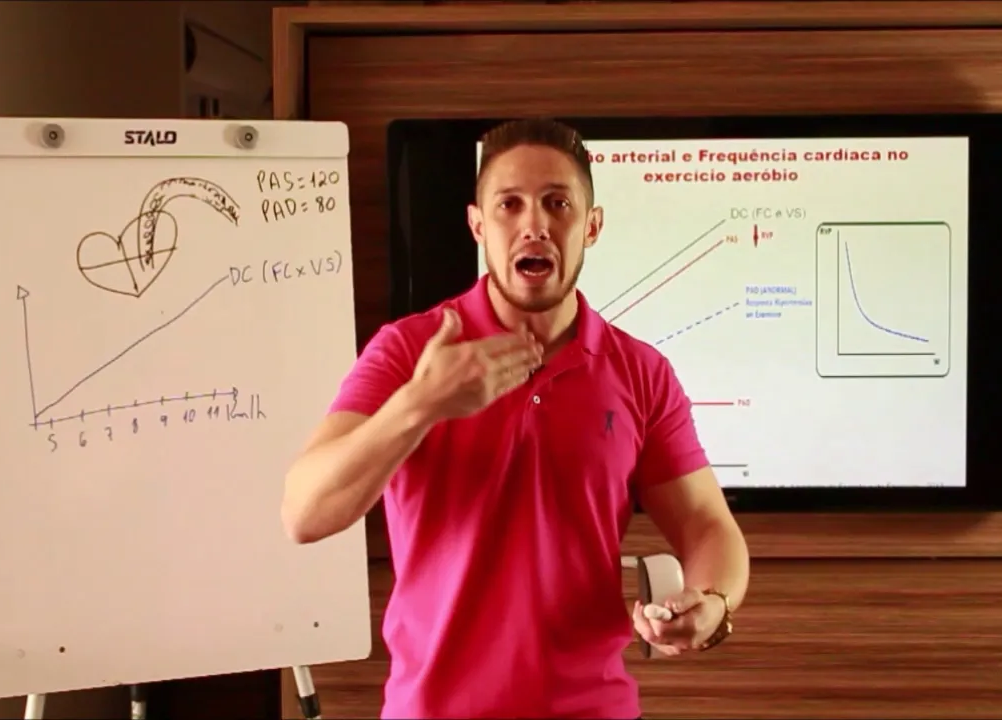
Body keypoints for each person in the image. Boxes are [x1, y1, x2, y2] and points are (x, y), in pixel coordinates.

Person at [281, 118, 750, 719]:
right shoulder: (408, 350)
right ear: (478, 224)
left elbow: (707, 525)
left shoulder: (641, 372)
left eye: (558, 203)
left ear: (591, 226)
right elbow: (305, 514)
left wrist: (712, 602)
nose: (535, 225)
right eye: (509, 205)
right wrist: (420, 404)